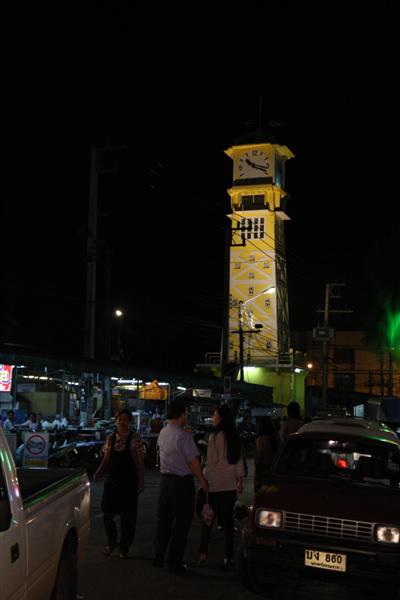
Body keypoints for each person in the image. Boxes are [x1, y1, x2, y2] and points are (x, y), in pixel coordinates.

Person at [153, 401, 208, 574]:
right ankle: (174, 562)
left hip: (165, 482)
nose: (187, 416)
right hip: (182, 483)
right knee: (182, 523)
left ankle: (159, 557)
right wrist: (202, 480)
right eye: (186, 413)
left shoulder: (163, 432)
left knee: (164, 520)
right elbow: (193, 462)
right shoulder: (184, 436)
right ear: (182, 414)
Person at [93, 408, 145, 559]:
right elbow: (106, 459)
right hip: (112, 482)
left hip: (129, 483)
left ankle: (124, 547)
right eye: (120, 419)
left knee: (128, 518)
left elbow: (140, 463)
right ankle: (112, 542)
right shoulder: (110, 438)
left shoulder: (135, 438)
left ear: (129, 422)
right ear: (115, 421)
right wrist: (98, 473)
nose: (122, 422)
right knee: (107, 514)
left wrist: (141, 481)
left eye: (125, 420)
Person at [198, 404, 245, 569]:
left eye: (215, 414)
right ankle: (228, 557)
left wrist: (205, 481)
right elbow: (238, 460)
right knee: (228, 523)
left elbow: (211, 462)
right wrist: (240, 481)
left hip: (216, 484)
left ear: (221, 418)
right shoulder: (234, 436)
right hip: (230, 485)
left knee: (208, 519)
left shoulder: (215, 436)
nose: (213, 417)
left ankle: (203, 554)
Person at [254, 416, 278, 493]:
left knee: (262, 490)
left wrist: (257, 466)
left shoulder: (260, 438)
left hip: (264, 466)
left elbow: (259, 453)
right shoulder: (276, 437)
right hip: (274, 466)